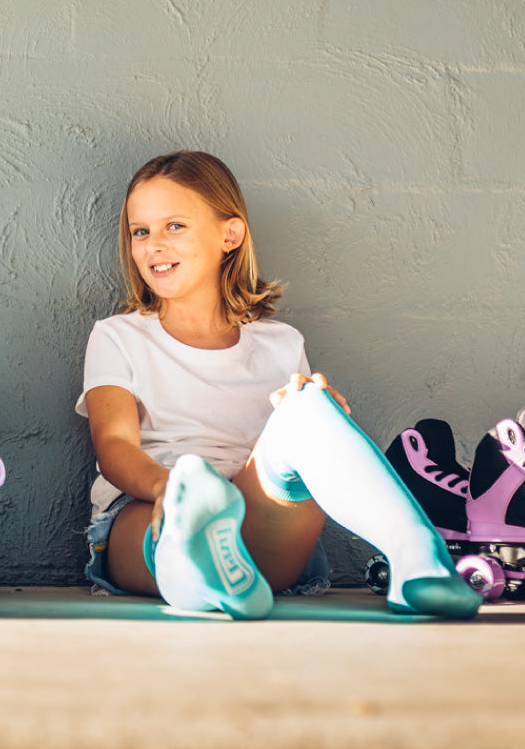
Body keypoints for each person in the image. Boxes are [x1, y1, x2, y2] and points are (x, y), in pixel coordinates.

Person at [79, 150, 478, 619]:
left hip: (260, 515)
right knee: (189, 502)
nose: (154, 245)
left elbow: (296, 450)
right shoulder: (118, 335)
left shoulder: (280, 343)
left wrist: (323, 418)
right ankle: (200, 562)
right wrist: (171, 487)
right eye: (140, 232)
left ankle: (417, 560)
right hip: (152, 508)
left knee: (308, 404)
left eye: (174, 226)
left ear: (230, 235)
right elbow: (115, 447)